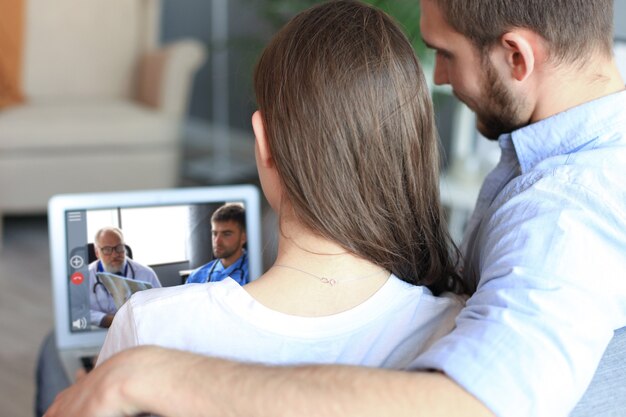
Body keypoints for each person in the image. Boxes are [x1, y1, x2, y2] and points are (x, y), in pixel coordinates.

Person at [45, 0, 626, 416]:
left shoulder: (568, 211)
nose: (442, 78)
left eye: (444, 53)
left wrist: (146, 371)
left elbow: (479, 400)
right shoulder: (456, 316)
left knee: (58, 358)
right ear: (409, 144)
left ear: (263, 141)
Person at [89, 227, 162, 328]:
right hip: (100, 332)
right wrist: (105, 319)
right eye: (107, 250)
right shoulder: (84, 277)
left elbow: (160, 306)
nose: (114, 254)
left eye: (119, 248)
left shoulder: (146, 273)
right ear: (97, 252)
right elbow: (75, 311)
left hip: (137, 329)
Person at [185, 203, 249, 285]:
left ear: (244, 237)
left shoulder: (258, 274)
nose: (217, 241)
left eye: (226, 234)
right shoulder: (196, 277)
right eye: (214, 234)